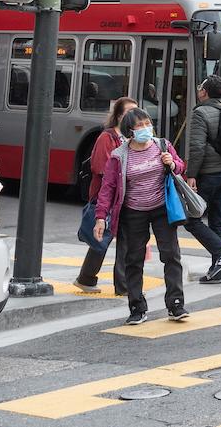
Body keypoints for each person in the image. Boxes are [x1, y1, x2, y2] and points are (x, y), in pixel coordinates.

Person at [94, 108, 189, 325]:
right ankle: (136, 307)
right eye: (140, 125)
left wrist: (172, 164)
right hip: (133, 212)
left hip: (161, 209)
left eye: (148, 123)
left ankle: (176, 304)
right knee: (133, 260)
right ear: (130, 131)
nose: (146, 128)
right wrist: (101, 217)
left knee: (171, 255)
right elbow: (107, 188)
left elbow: (180, 167)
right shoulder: (119, 156)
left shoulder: (162, 145)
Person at [74, 96, 137, 294]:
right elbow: (100, 168)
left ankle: (92, 279)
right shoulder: (106, 137)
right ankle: (90, 278)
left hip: (128, 196)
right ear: (118, 115)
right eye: (129, 112)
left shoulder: (132, 137)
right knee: (103, 237)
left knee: (119, 239)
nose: (133, 117)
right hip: (109, 196)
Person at [185, 75, 221, 283]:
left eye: (200, 87)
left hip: (207, 174)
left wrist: (191, 175)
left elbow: (197, 147)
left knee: (191, 220)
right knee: (217, 220)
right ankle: (218, 270)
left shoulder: (200, 113)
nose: (199, 90)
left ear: (204, 92)